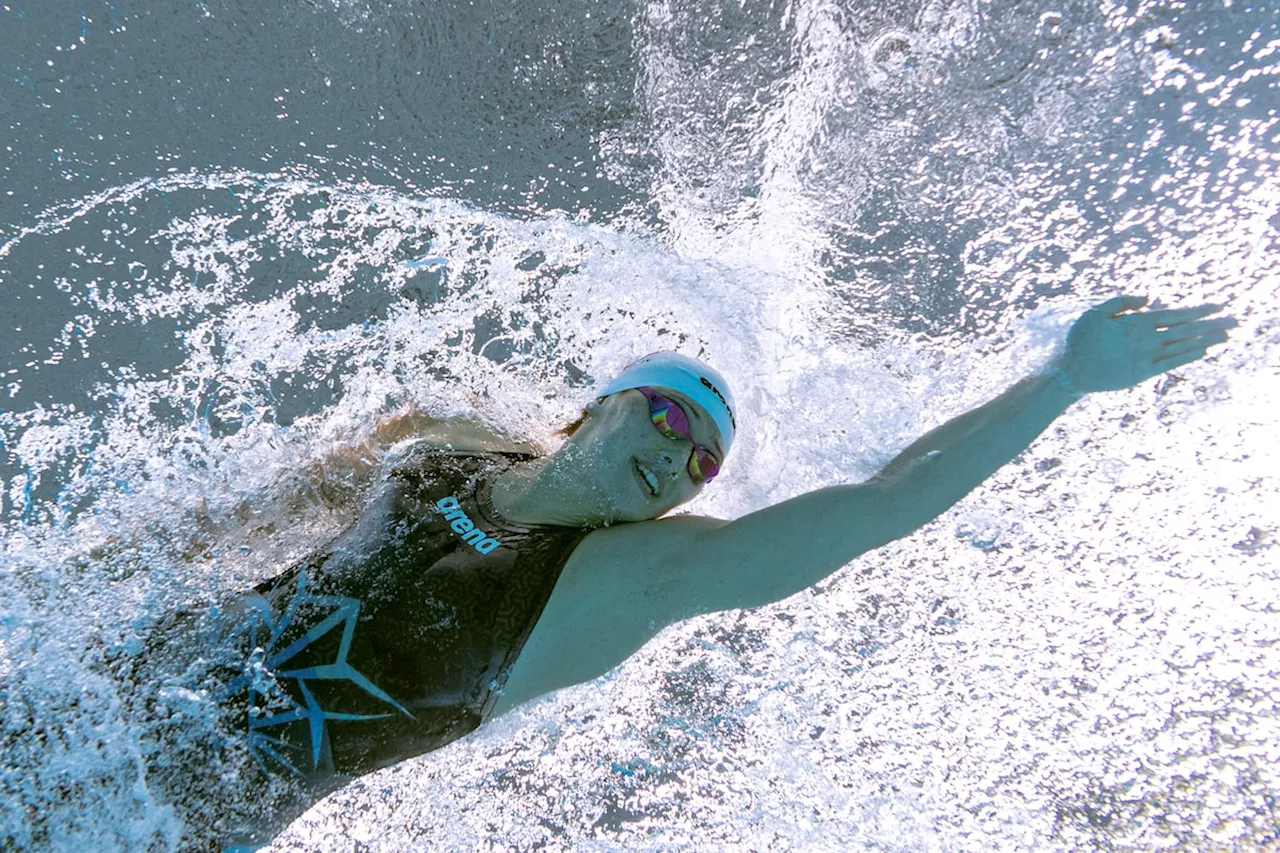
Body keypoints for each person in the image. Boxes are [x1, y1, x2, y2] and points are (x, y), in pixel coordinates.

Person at [121, 295, 1233, 850]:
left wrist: (1057, 383)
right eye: (666, 413)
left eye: (701, 460)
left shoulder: (617, 581)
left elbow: (884, 505)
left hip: (168, 813)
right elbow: (253, 513)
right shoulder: (443, 445)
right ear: (596, 404)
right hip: (122, 678)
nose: (679, 453)